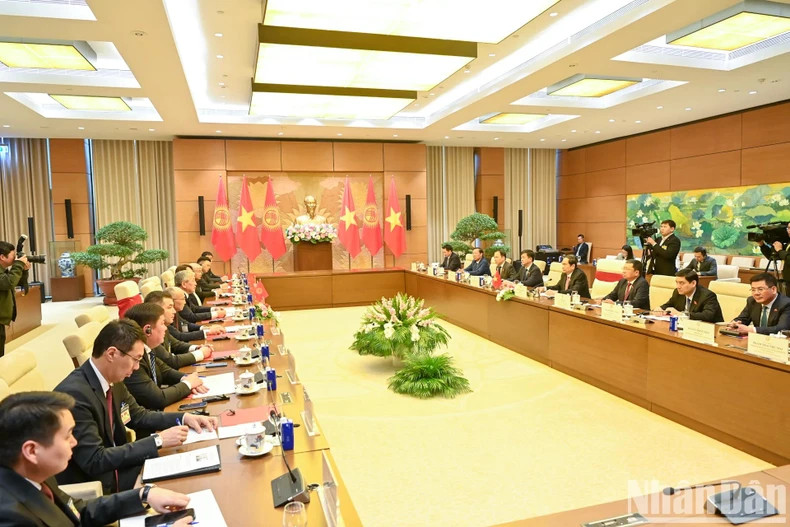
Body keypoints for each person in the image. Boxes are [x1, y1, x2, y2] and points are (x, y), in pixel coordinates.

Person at [54, 320, 217, 493]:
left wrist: (184, 418)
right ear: (111, 354)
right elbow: (95, 460)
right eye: (136, 359)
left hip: (121, 466)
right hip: (101, 486)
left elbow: (138, 415)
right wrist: (158, 440)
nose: (137, 367)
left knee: (196, 469)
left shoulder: (111, 377)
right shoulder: (74, 397)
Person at [0, 391, 194, 527]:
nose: (75, 442)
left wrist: (143, 495)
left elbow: (78, 513)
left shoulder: (32, 473)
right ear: (32, 451)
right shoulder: (11, 517)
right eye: (67, 436)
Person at [123, 304, 208, 411]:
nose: (166, 328)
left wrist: (187, 379)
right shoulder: (132, 360)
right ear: (147, 330)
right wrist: (188, 384)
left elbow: (165, 371)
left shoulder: (148, 349)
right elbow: (158, 399)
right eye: (162, 323)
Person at [144, 290, 212, 369]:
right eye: (169, 307)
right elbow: (171, 361)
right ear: (156, 310)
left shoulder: (164, 326)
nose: (174, 311)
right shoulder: (151, 334)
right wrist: (201, 353)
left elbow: (176, 345)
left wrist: (197, 348)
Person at [656, 269, 723, 322]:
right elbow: (670, 304)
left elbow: (707, 315)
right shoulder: (678, 292)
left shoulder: (707, 295)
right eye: (677, 282)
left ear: (693, 283)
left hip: (709, 331)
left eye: (681, 283)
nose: (678, 286)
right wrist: (661, 308)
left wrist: (682, 315)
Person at [0, 241, 30, 357]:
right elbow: (8, 282)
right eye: (14, 256)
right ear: (2, 257)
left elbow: (16, 282)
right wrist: (18, 264)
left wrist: (24, 270)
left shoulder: (3, 270)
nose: (15, 259)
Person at [757, 222, 790, 293]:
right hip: (787, 281)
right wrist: (762, 245)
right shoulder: (788, 244)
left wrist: (780, 250)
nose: (788, 231)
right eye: (788, 228)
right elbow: (771, 255)